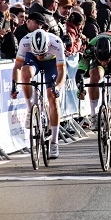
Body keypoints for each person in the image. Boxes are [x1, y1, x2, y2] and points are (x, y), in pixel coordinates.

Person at [10, 29, 66, 159]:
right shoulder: (25, 42)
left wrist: (57, 87)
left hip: (51, 63)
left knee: (52, 98)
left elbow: (62, 71)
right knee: (25, 73)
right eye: (38, 53)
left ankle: (54, 142)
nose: (40, 55)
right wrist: (14, 85)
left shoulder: (56, 43)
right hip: (32, 60)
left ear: (48, 45)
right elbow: (17, 66)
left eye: (42, 53)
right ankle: (30, 110)